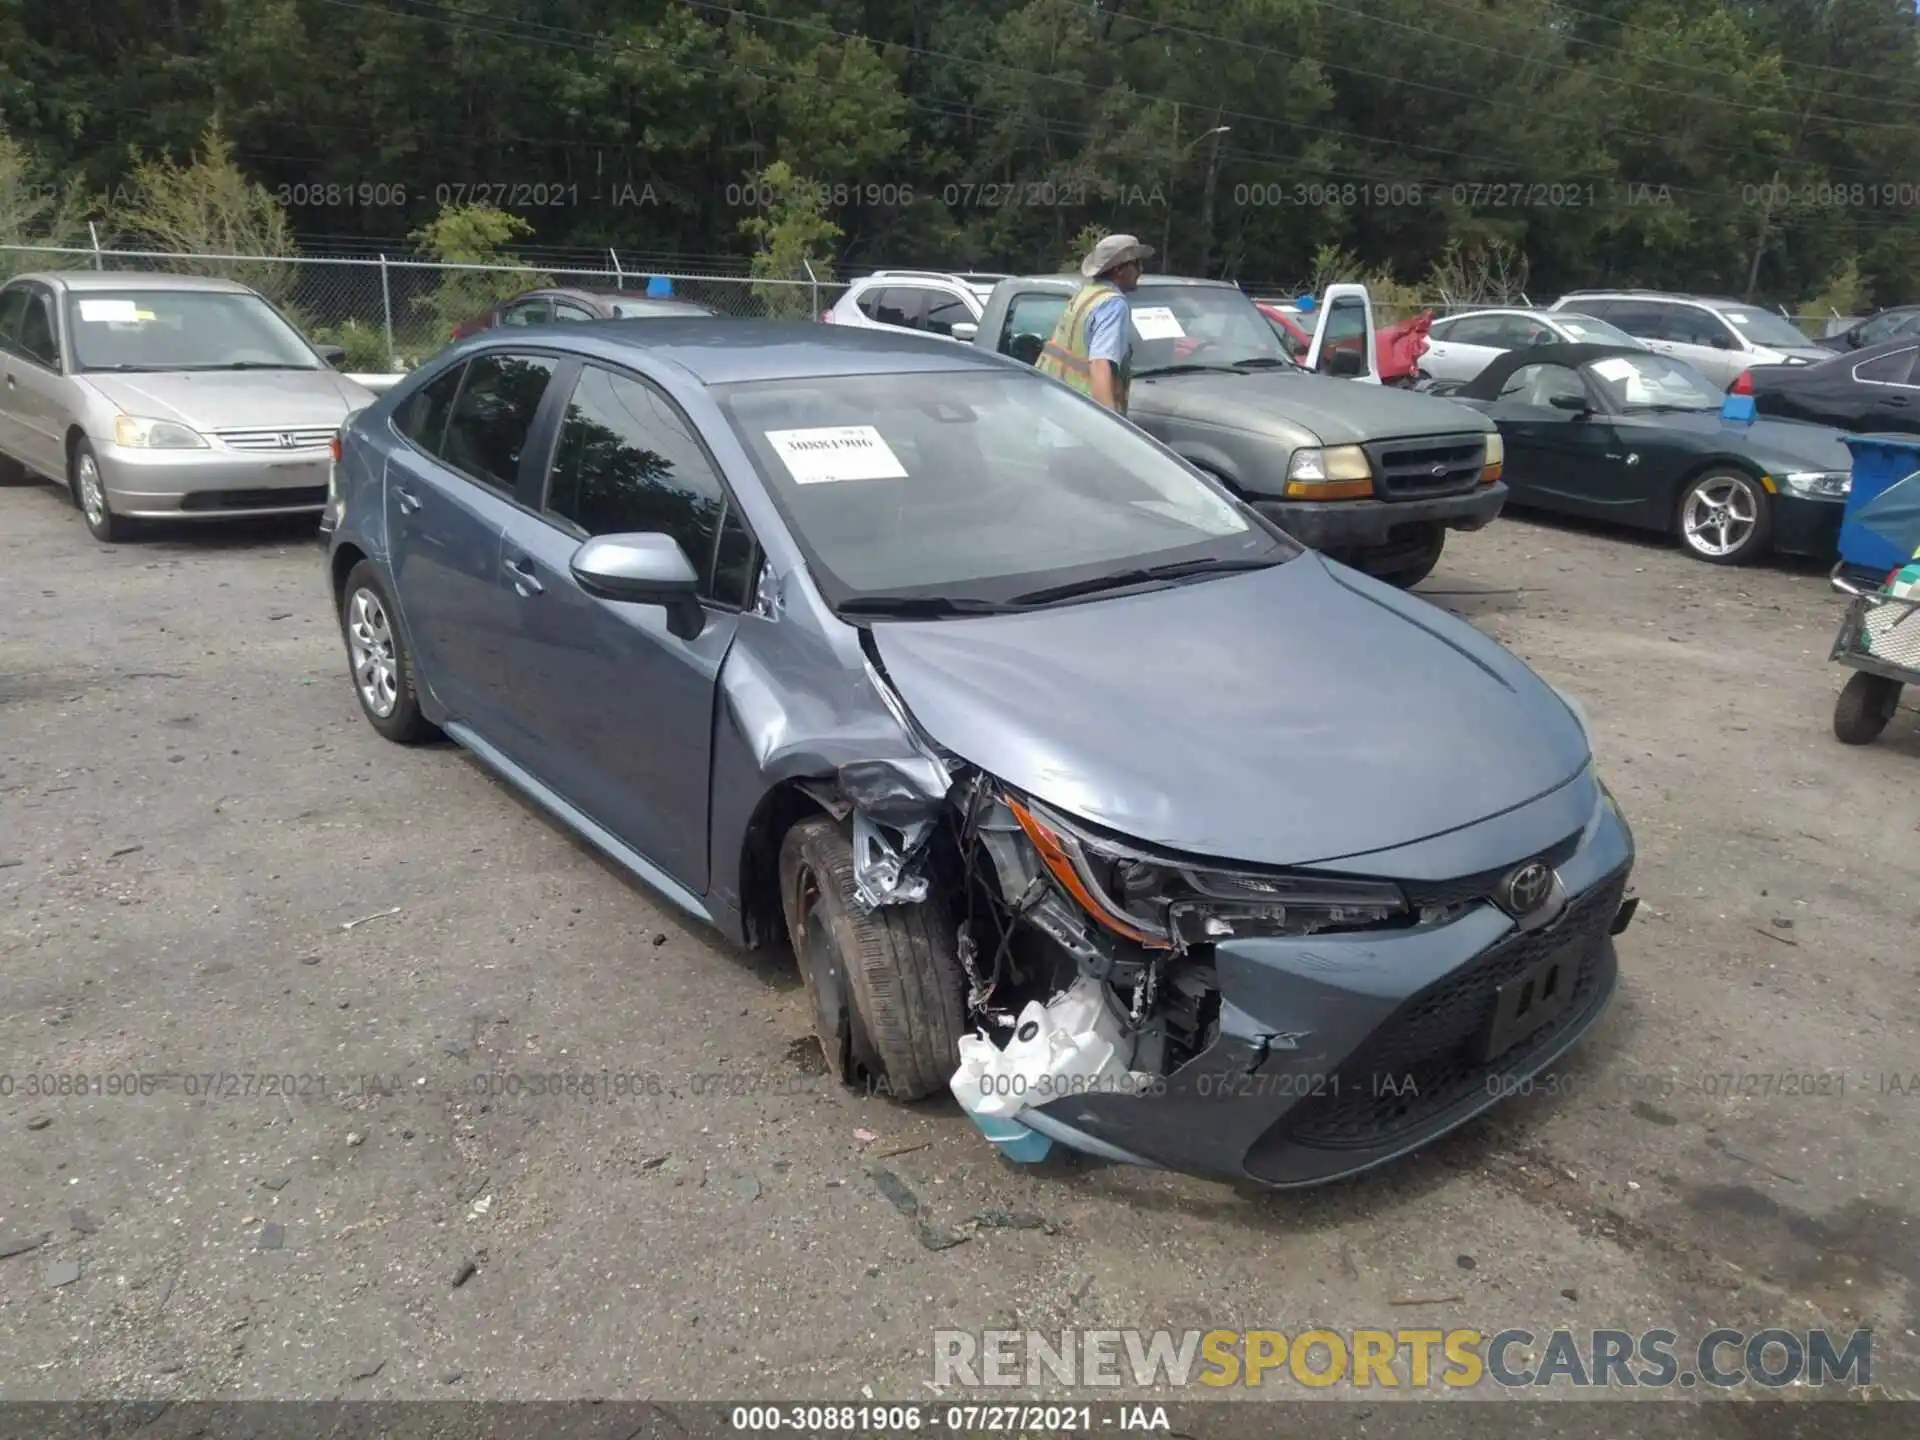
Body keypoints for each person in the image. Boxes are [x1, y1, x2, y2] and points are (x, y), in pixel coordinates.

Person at [1036, 234, 1154, 415]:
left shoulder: (1086, 294)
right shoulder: (1113, 304)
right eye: (1136, 264)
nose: (1141, 270)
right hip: (1084, 416)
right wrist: (1111, 424)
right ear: (1119, 270)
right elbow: (1100, 364)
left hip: (1056, 408)